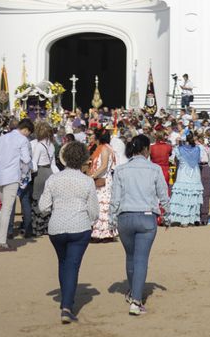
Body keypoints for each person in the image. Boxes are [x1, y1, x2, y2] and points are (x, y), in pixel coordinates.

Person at [39, 140, 99, 323]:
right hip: (79, 227)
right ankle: (66, 306)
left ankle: (65, 300)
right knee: (72, 265)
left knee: (63, 263)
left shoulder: (53, 179)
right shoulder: (87, 181)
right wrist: (90, 220)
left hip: (56, 226)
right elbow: (94, 212)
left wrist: (57, 209)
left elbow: (43, 207)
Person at [109, 134, 169, 316]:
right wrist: (168, 214)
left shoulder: (120, 170)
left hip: (125, 217)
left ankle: (132, 292)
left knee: (130, 256)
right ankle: (136, 300)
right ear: (145, 149)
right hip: (146, 217)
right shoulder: (155, 169)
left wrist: (112, 218)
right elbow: (163, 194)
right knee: (141, 258)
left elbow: (115, 198)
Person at [0, 118, 33, 251]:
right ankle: (2, 241)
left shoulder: (1, 138)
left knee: (4, 207)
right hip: (11, 177)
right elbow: (26, 159)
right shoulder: (23, 140)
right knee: (7, 209)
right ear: (26, 130)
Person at [87, 128, 118, 243]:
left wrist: (92, 176)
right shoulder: (106, 148)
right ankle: (104, 232)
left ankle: (103, 233)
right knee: (102, 205)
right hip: (105, 178)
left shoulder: (104, 149)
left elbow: (104, 166)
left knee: (101, 205)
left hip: (103, 179)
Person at [168, 132, 203, 226]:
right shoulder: (198, 149)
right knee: (191, 196)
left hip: (183, 174)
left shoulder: (179, 149)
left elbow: (174, 160)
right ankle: (190, 219)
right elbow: (200, 160)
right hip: (194, 174)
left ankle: (183, 220)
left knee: (182, 196)